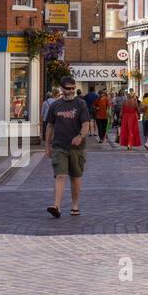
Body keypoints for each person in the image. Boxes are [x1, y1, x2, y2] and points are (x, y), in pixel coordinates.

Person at [43, 76, 91, 218]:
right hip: (59, 146)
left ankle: (74, 205)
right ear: (61, 89)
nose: (71, 91)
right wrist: (47, 146)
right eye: (68, 89)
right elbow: (50, 126)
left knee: (75, 177)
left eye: (73, 88)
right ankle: (56, 205)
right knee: (60, 175)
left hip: (77, 148)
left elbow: (86, 123)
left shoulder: (81, 104)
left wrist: (80, 136)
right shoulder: (55, 105)